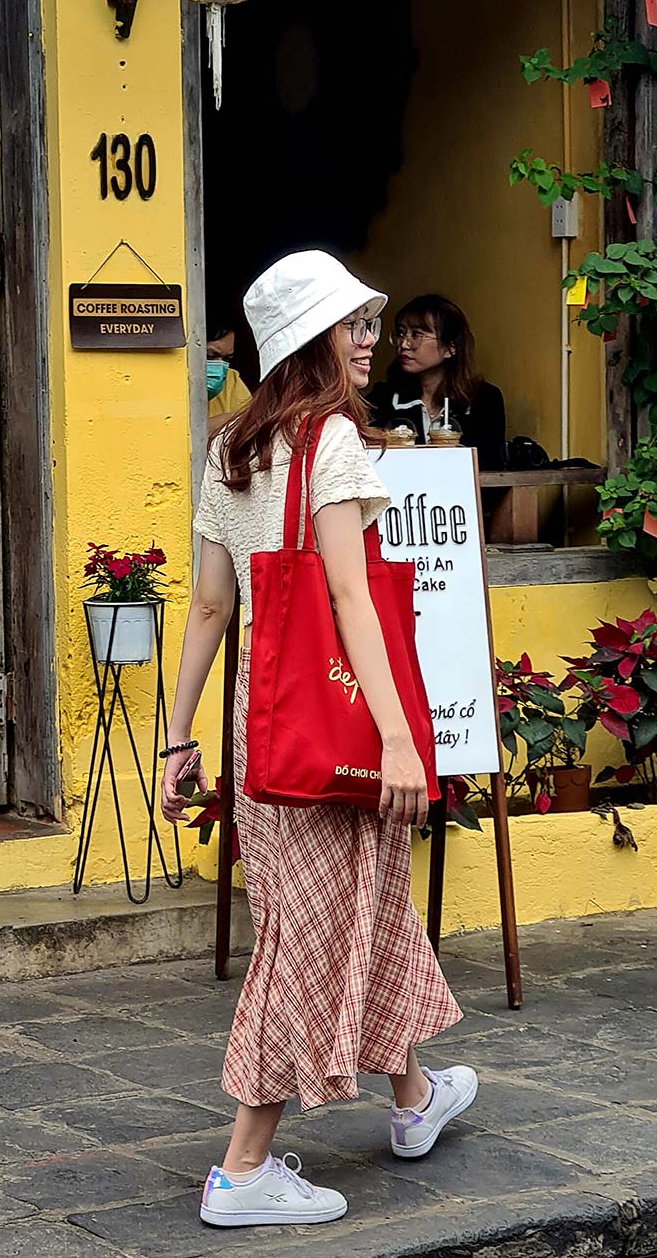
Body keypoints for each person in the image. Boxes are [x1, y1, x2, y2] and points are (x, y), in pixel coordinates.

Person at [161, 251, 476, 1229]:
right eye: (352, 323)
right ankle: (243, 1168)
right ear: (313, 339)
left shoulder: (228, 450)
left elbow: (212, 606)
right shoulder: (332, 440)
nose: (369, 337)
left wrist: (176, 741)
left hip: (271, 741)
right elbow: (349, 596)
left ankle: (415, 1098)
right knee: (302, 941)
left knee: (363, 913)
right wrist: (397, 735)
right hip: (340, 736)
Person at [368, 294, 506, 469]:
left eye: (416, 334)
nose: (404, 344)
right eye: (401, 333)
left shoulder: (485, 399)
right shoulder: (383, 398)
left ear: (451, 347)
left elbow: (489, 466)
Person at [207, 322, 252, 436]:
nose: (220, 365)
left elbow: (252, 422)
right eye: (210, 356)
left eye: (227, 358)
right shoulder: (166, 382)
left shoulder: (231, 379)